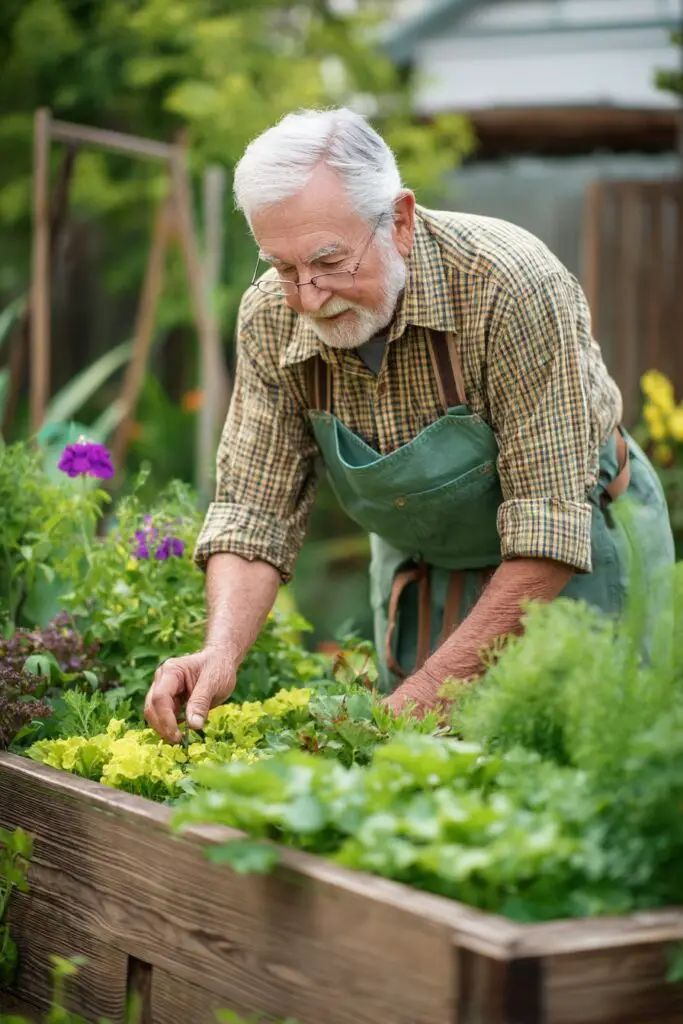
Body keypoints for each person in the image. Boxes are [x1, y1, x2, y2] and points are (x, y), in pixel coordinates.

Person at [144, 107, 675, 743]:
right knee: (424, 791)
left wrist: (427, 690)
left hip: (572, 556)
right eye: (283, 268)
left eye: (329, 261)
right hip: (423, 564)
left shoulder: (507, 286)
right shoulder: (269, 317)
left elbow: (549, 527)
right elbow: (253, 513)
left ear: (398, 220)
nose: (309, 297)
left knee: (576, 768)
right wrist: (220, 653)